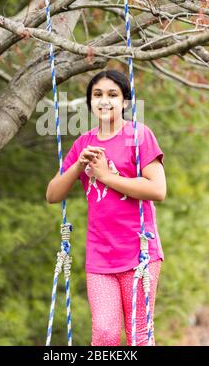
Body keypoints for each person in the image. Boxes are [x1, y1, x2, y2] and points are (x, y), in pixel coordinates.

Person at [46, 70, 166, 346]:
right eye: (97, 95)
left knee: (138, 334)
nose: (104, 101)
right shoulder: (83, 144)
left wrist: (107, 177)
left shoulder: (139, 135)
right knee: (105, 334)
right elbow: (53, 194)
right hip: (100, 257)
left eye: (113, 95)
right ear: (90, 102)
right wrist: (78, 165)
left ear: (125, 101)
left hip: (139, 253)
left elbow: (158, 189)